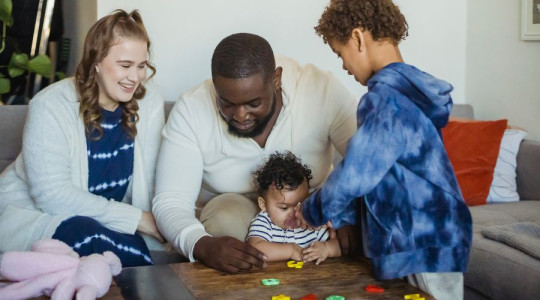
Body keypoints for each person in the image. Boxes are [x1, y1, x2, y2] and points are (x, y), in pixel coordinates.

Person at [295, 1, 473, 299]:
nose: (343, 66)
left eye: (341, 54)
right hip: (433, 232)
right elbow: (381, 173)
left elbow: (357, 172)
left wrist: (313, 209)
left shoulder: (385, 101)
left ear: (357, 39)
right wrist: (339, 218)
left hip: (424, 237)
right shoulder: (409, 92)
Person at [153, 33, 359, 273]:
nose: (240, 116)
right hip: (234, 212)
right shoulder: (191, 109)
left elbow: (369, 162)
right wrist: (202, 244)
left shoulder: (319, 90)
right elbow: (170, 201)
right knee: (224, 220)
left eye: (253, 103)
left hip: (309, 206)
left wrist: (349, 214)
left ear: (276, 79)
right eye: (227, 103)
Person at [0, 10, 165, 267]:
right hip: (41, 216)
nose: (135, 77)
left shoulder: (150, 100)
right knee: (86, 236)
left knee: (106, 241)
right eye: (125, 66)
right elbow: (52, 196)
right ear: (96, 62)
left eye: (141, 66)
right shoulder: (50, 105)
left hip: (109, 221)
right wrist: (137, 219)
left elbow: (153, 177)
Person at [247, 151, 340, 264]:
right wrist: (290, 250)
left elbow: (342, 243)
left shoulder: (311, 220)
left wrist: (327, 248)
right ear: (263, 204)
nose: (294, 213)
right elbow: (255, 248)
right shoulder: (264, 222)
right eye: (283, 208)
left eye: (299, 205)